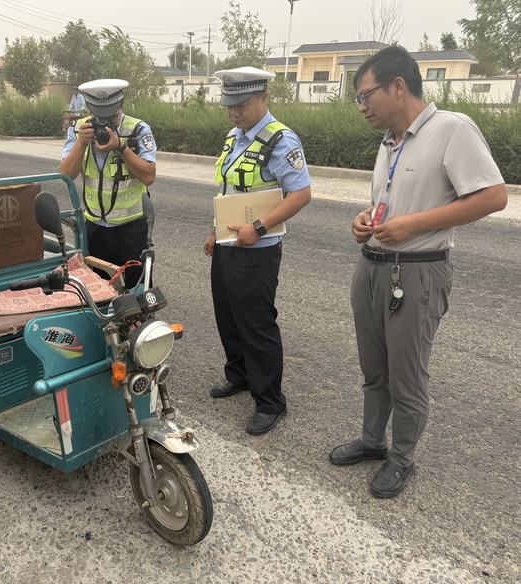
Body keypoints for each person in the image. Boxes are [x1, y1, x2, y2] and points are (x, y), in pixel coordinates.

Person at [329, 46, 507, 498]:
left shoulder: (451, 128)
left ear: (398, 86)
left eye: (365, 95)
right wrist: (364, 219)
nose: (361, 106)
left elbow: (493, 196)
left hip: (417, 273)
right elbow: (390, 201)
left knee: (406, 375)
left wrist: (412, 225)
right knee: (374, 368)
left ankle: (402, 457)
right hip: (371, 267)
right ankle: (372, 441)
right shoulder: (390, 142)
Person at [205, 67, 312, 435]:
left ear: (264, 99)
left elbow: (301, 194)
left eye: (242, 105)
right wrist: (214, 230)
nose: (234, 112)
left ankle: (270, 402)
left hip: (258, 250)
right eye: (229, 105)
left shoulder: (281, 140)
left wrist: (260, 227)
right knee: (228, 316)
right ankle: (239, 376)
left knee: (256, 324)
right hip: (228, 244)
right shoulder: (234, 137)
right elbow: (229, 190)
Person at [60, 78, 157, 286]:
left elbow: (149, 176)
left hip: (131, 228)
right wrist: (81, 143)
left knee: (136, 290)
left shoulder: (137, 129)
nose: (105, 123)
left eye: (111, 116)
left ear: (120, 105)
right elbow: (66, 175)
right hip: (94, 227)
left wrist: (121, 147)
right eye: (98, 117)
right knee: (98, 291)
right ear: (89, 109)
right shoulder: (78, 129)